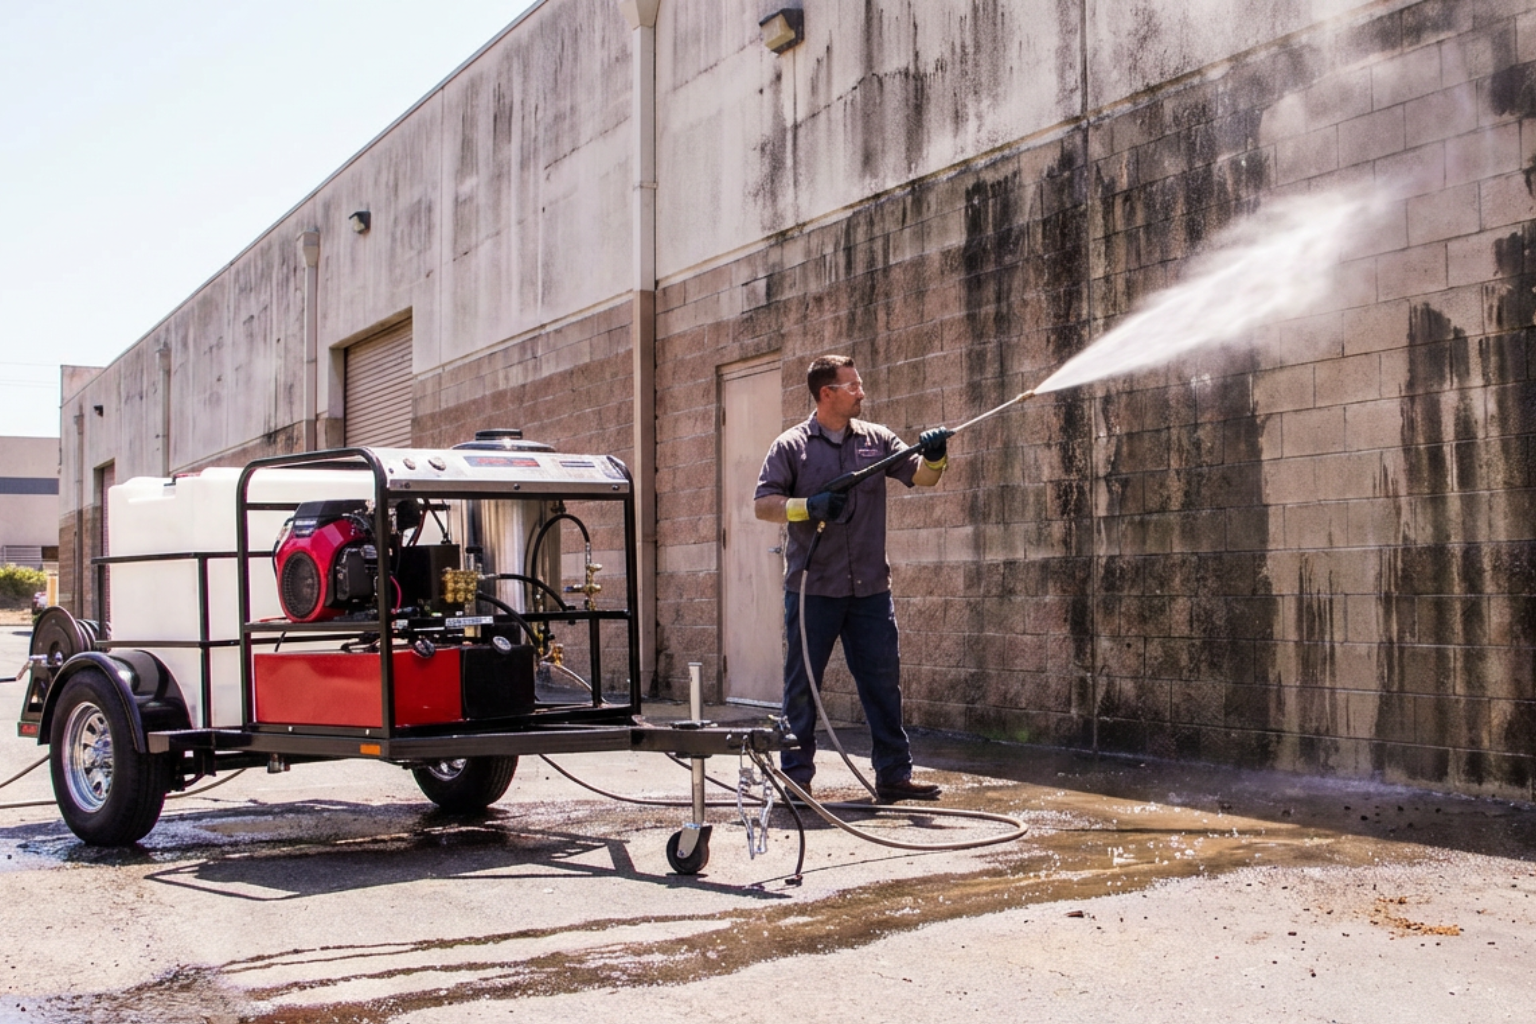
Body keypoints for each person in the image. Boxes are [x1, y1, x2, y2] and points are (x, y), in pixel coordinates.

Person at [753, 355, 953, 802]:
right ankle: (796, 779)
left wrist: (936, 456)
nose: (862, 392)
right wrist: (810, 506)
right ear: (827, 393)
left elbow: (923, 478)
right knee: (802, 687)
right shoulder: (791, 446)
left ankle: (894, 776)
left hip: (869, 589)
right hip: (812, 589)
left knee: (883, 683)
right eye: (853, 386)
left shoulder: (878, 440)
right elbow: (763, 504)